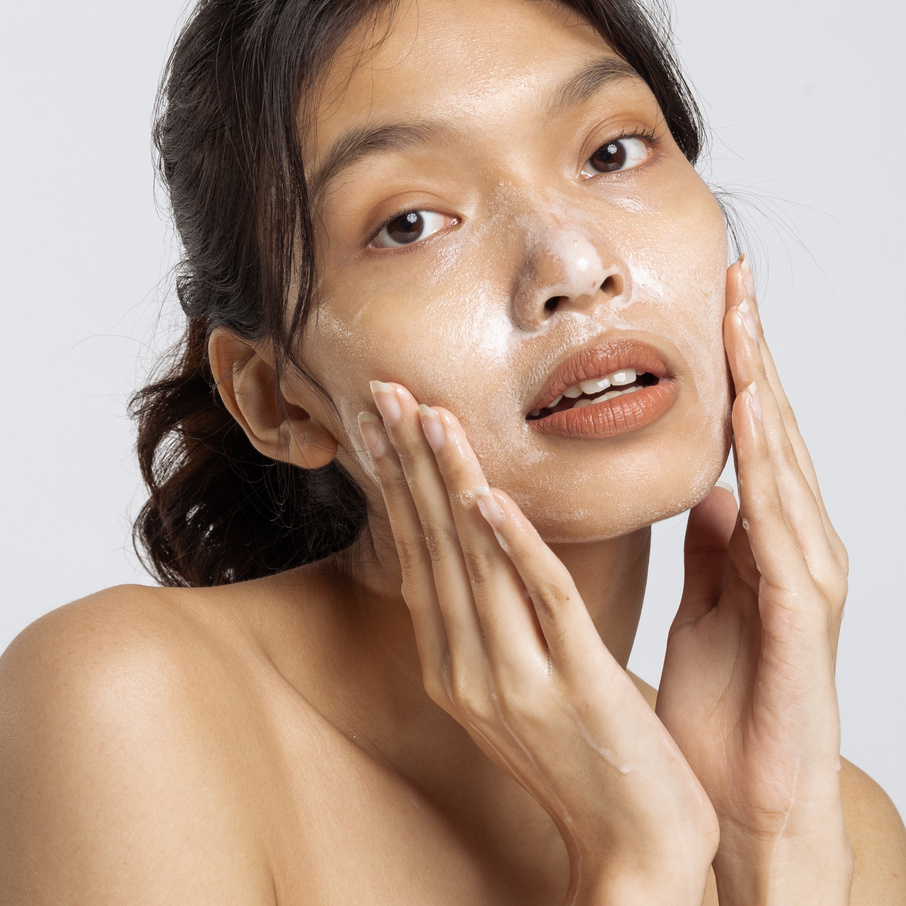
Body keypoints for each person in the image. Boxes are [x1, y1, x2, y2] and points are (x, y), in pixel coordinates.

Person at [1, 0, 904, 902]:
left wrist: (774, 859)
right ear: (280, 400)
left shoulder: (837, 825)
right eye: (411, 222)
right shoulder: (128, 708)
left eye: (611, 152)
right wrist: (641, 872)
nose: (573, 265)